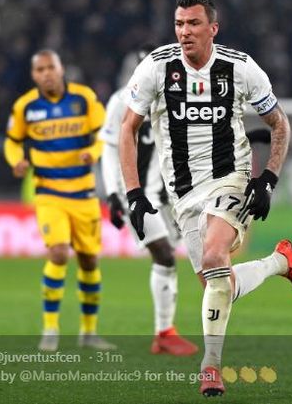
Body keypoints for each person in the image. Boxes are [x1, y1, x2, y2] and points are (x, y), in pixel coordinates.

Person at [118, 0, 292, 398]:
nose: (184, 32)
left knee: (213, 257)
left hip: (232, 178)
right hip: (183, 194)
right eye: (179, 24)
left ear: (213, 28)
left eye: (193, 24)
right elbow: (127, 130)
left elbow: (279, 124)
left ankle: (210, 368)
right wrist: (134, 193)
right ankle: (280, 261)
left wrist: (268, 178)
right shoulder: (155, 68)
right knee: (217, 283)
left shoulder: (240, 69)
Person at [4, 49, 115, 352]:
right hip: (49, 193)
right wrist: (16, 161)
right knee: (58, 253)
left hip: (84, 193)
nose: (46, 74)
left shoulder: (83, 98)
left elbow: (104, 133)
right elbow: (12, 142)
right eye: (40, 70)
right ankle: (50, 327)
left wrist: (92, 153)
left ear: (61, 68)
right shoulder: (25, 107)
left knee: (89, 260)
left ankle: (89, 333)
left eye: (50, 67)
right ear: (34, 75)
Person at [100, 45, 198, 356]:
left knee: (171, 260)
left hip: (166, 195)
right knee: (165, 255)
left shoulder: (170, 101)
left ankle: (164, 334)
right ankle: (165, 333)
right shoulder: (120, 101)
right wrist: (114, 194)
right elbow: (109, 147)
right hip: (136, 194)